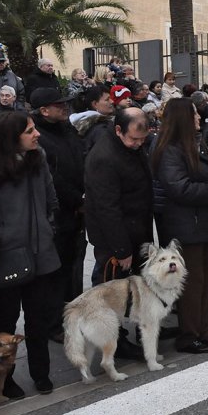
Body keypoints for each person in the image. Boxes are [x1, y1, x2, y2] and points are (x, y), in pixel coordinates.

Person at [151, 98, 208, 354]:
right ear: (184, 118)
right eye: (194, 114)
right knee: (192, 284)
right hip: (187, 227)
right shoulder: (170, 150)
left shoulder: (194, 143)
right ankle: (189, 335)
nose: (199, 118)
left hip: (202, 223)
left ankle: (203, 331)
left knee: (205, 281)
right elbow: (180, 189)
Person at [0, 111, 61, 397]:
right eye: (29, 131)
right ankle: (4, 379)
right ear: (12, 138)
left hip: (41, 252)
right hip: (6, 255)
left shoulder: (38, 156)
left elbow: (49, 194)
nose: (37, 134)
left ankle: (41, 372)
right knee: (3, 322)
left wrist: (49, 224)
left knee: (38, 319)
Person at [84, 107, 153, 359]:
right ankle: (113, 342)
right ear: (118, 130)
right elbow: (106, 208)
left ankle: (135, 333)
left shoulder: (130, 148)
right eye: (133, 139)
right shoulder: (104, 157)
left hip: (137, 229)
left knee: (131, 289)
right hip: (116, 240)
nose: (138, 144)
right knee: (110, 292)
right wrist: (121, 249)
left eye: (142, 139)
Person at [29, 88, 86, 343]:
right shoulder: (39, 138)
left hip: (77, 212)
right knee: (55, 272)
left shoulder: (67, 129)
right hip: (58, 214)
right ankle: (54, 324)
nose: (65, 108)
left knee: (74, 267)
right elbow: (52, 178)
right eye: (59, 105)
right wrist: (78, 198)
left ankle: (72, 317)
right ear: (44, 110)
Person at [71, 84, 115, 154]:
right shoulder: (100, 130)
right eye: (107, 99)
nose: (112, 101)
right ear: (94, 104)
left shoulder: (97, 123)